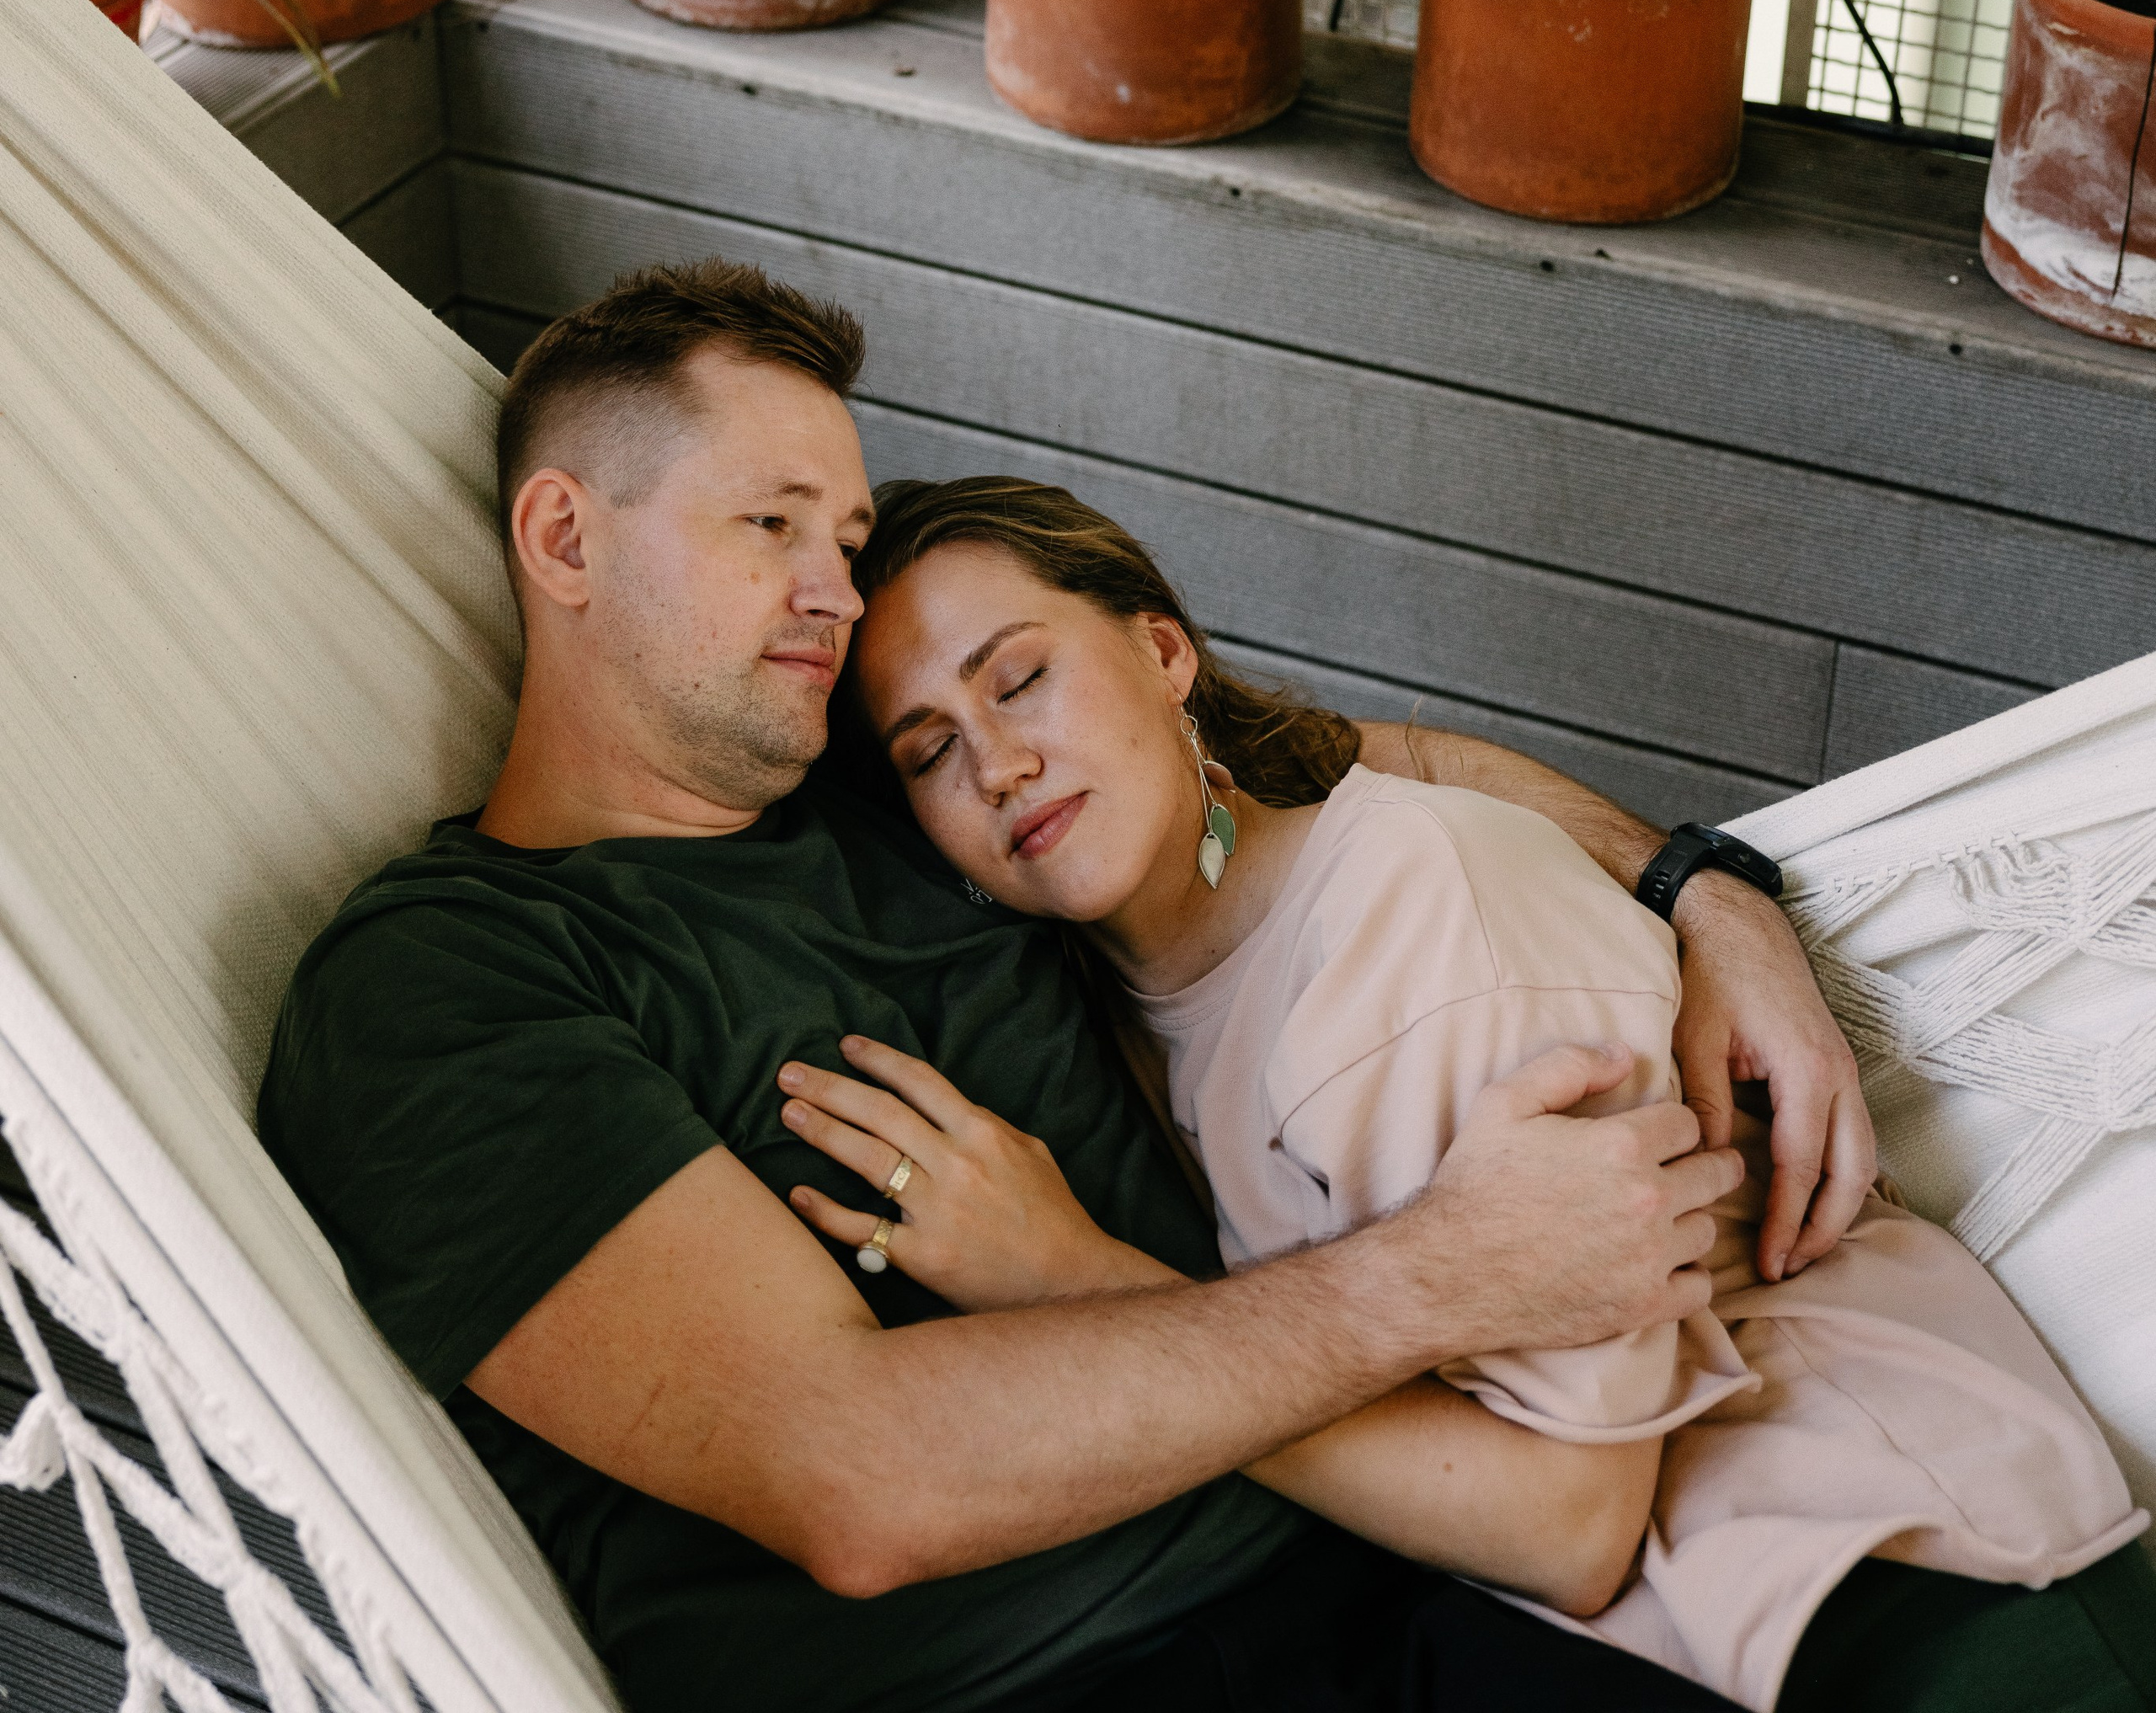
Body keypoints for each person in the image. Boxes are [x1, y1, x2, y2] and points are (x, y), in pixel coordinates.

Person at [258, 257, 1881, 1713]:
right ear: (565, 537)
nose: (837, 585)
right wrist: (1443, 1277)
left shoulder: (910, 793)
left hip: (1396, 1584)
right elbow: (859, 1478)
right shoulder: (445, 979)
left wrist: (1714, 894)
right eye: (773, 524)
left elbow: (1337, 761)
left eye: (844, 533)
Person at [809, 472, 2156, 1713]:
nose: (997, 762)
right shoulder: (1122, 990)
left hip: (1914, 1598)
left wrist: (1068, 1281)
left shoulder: (1419, 926)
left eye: (1023, 678)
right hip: (1675, 1640)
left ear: (1165, 656)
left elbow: (1565, 1528)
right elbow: (1368, 753)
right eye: (929, 749)